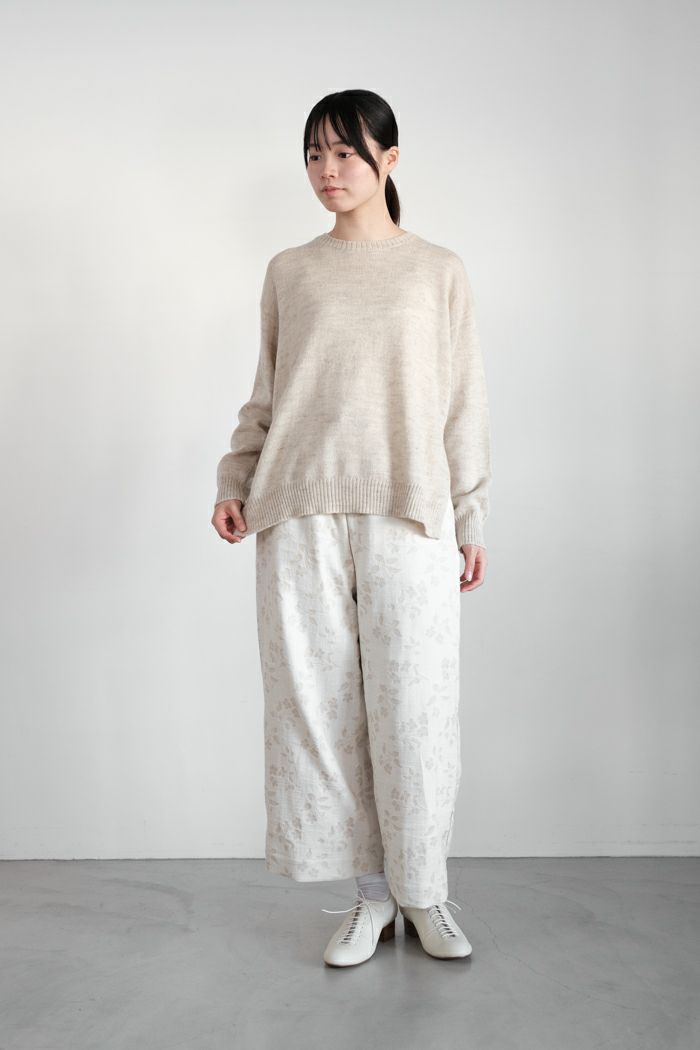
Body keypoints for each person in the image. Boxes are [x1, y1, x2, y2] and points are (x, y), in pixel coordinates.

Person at [211, 89, 492, 968]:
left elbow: (462, 404)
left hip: (411, 510)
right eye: (314, 155)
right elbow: (268, 392)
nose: (326, 171)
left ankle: (424, 892)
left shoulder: (437, 271)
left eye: (344, 153)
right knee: (322, 712)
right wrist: (235, 478)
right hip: (297, 510)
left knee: (416, 708)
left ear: (389, 159)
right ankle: (371, 899)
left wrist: (470, 514)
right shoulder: (290, 271)